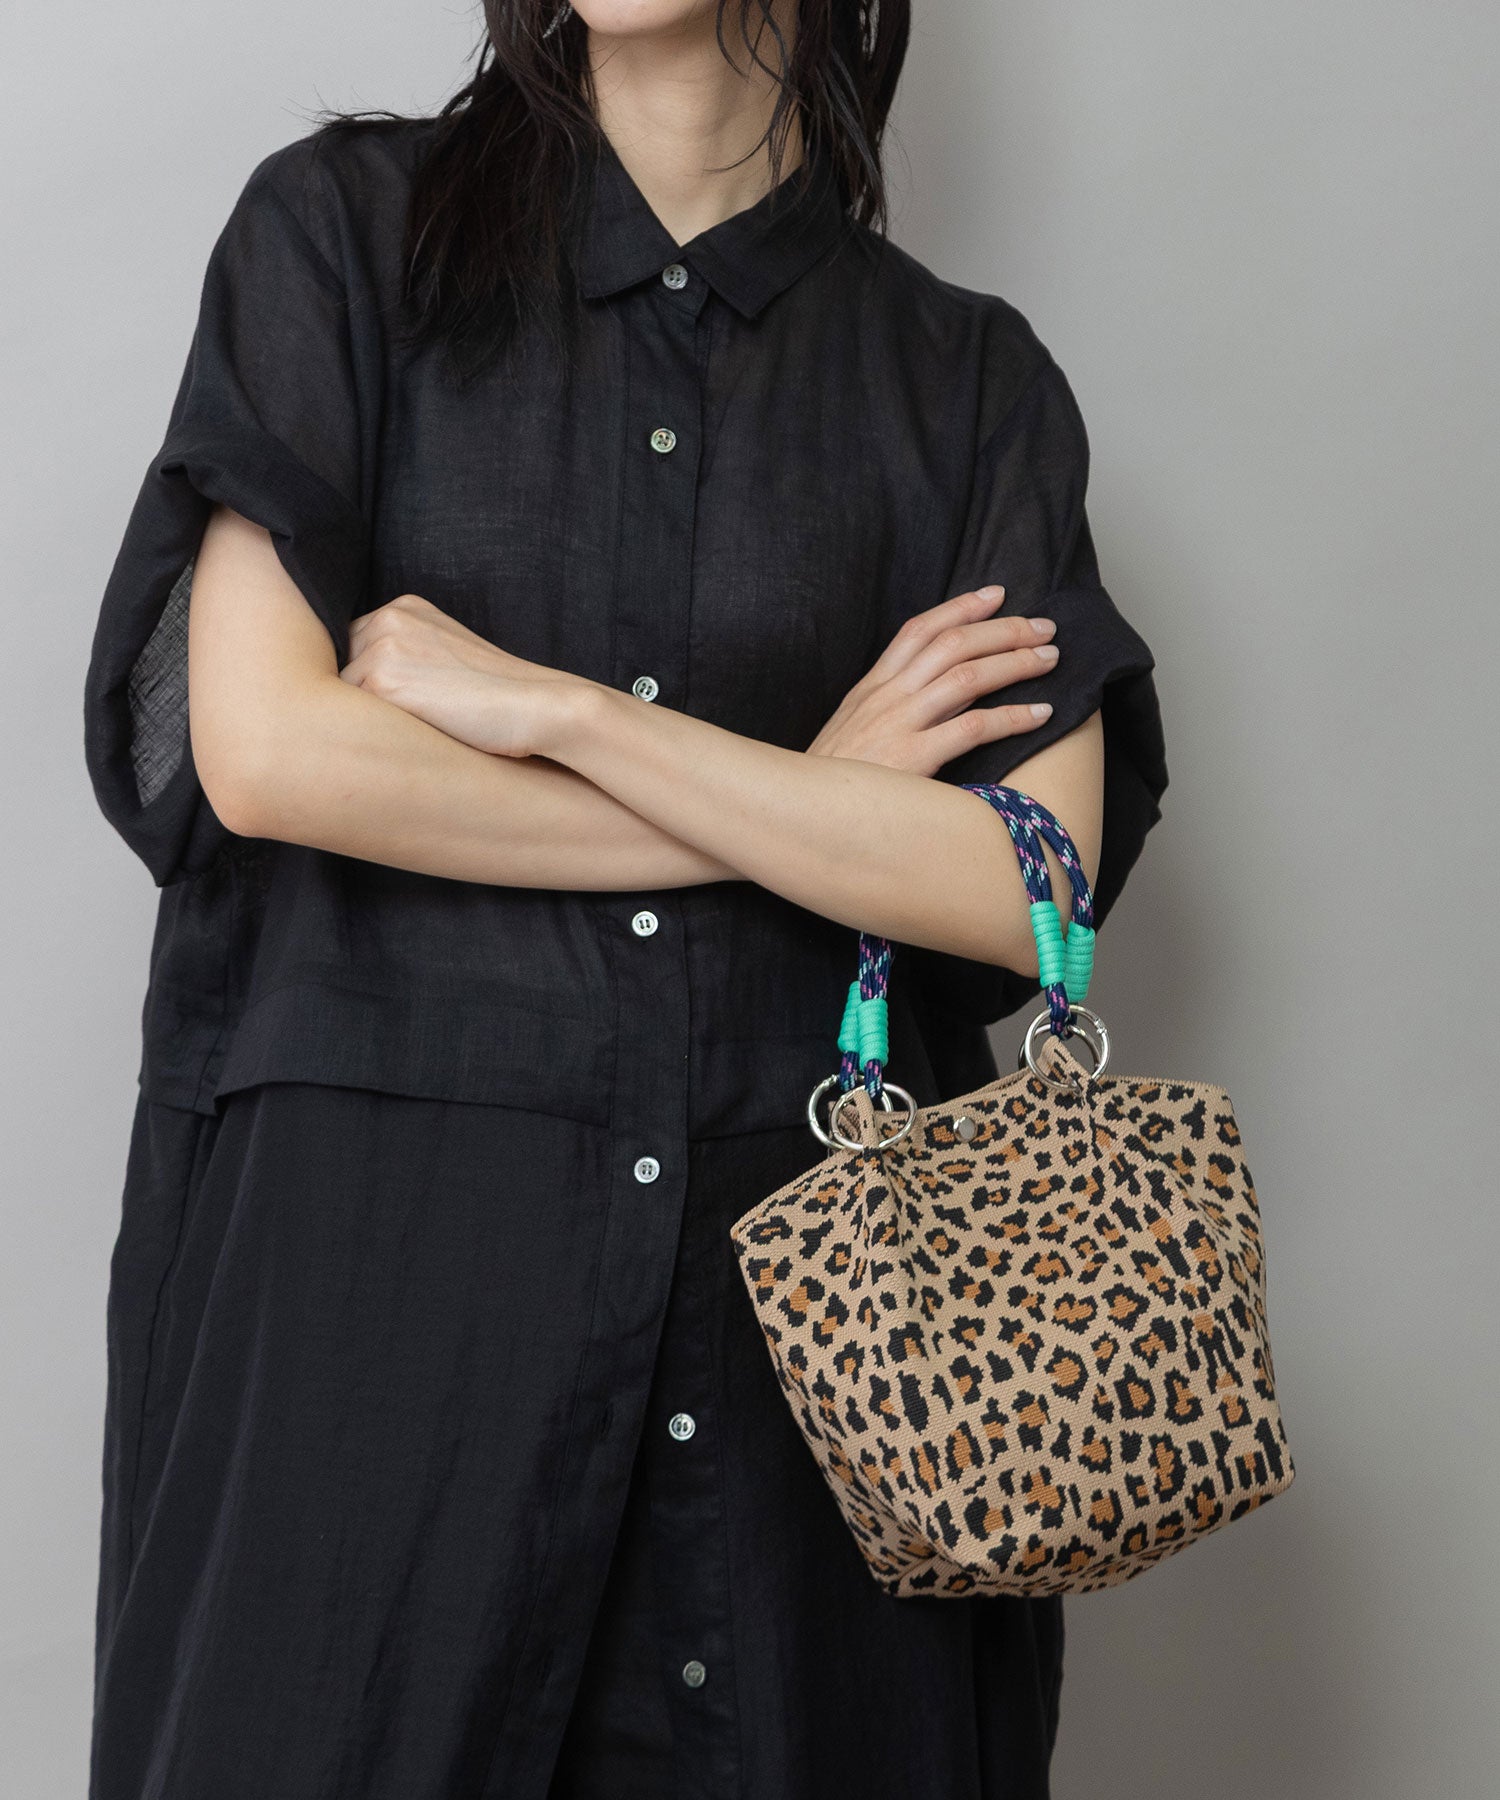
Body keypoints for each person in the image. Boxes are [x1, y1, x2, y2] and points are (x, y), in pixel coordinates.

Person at [82, 0, 1167, 1794]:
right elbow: (270, 757)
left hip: (818, 1427)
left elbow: (1020, 894)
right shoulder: (340, 236)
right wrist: (807, 799)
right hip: (365, 1371)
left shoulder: (964, 382)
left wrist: (568, 718)